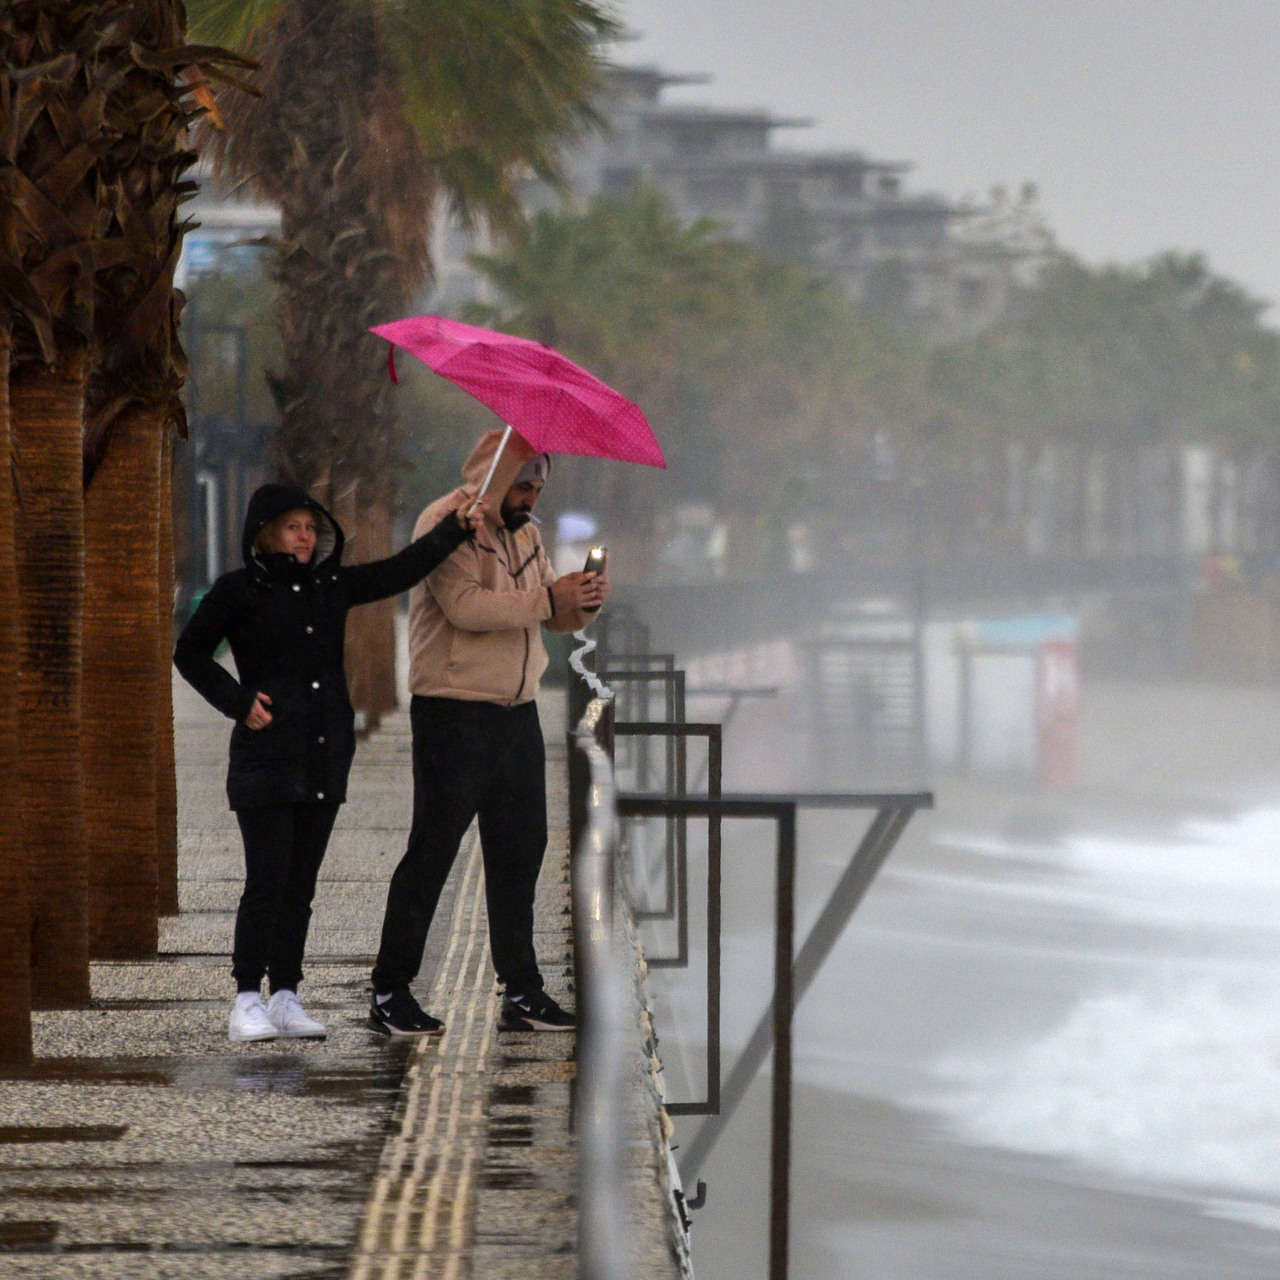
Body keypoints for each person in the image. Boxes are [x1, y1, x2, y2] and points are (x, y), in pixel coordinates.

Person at [174, 482, 481, 1043]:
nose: (306, 537)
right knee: (266, 879)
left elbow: (399, 570)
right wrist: (238, 702)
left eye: (312, 528)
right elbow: (189, 652)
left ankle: (287, 995)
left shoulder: (331, 586)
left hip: (323, 755)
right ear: (265, 533)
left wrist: (453, 530)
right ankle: (247, 999)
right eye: (293, 527)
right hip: (266, 757)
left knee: (301, 884)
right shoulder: (237, 592)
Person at [369, 430, 610, 1037]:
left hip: (517, 709)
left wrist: (579, 603)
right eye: (523, 484)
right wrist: (543, 599)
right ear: (498, 477)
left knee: (521, 849)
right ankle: (390, 990)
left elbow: (548, 613)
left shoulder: (525, 534)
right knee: (434, 849)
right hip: (454, 709)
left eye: (538, 486)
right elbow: (466, 607)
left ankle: (522, 989)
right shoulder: (446, 523)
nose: (531, 496)